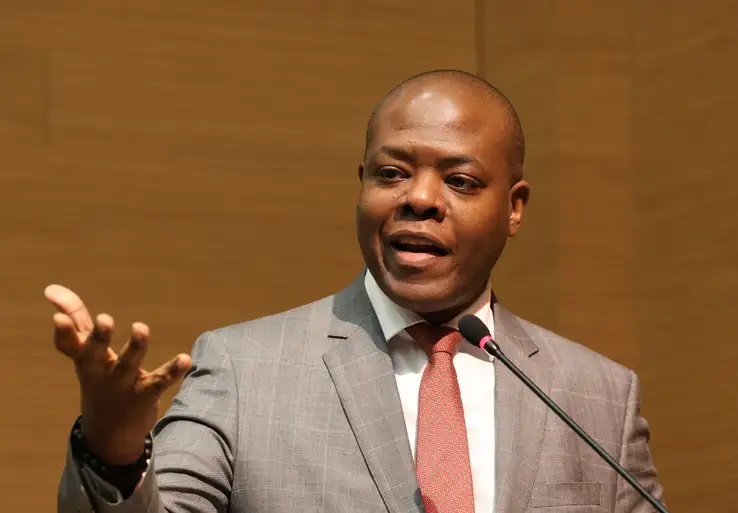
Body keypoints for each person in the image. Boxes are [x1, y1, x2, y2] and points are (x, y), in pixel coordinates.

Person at [49, 70, 664, 513]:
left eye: (460, 180)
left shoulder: (598, 398)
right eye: (391, 173)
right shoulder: (243, 371)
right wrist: (114, 451)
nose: (419, 198)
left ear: (515, 207)